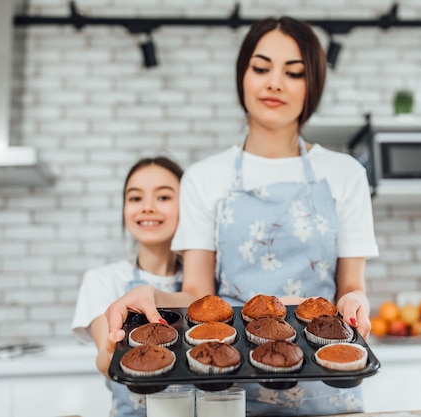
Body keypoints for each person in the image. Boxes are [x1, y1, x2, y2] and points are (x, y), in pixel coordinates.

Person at [104, 16, 379, 415]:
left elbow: (351, 286)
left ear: (312, 84)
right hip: (228, 387)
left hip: (327, 383)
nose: (274, 83)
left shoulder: (345, 174)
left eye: (295, 72)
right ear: (242, 76)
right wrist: (154, 298)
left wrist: (355, 300)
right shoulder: (204, 178)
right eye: (261, 67)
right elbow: (197, 294)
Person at [72, 156, 184, 417]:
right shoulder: (102, 279)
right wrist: (110, 354)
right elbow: (103, 357)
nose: (147, 207)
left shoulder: (203, 286)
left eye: (164, 197)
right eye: (135, 198)